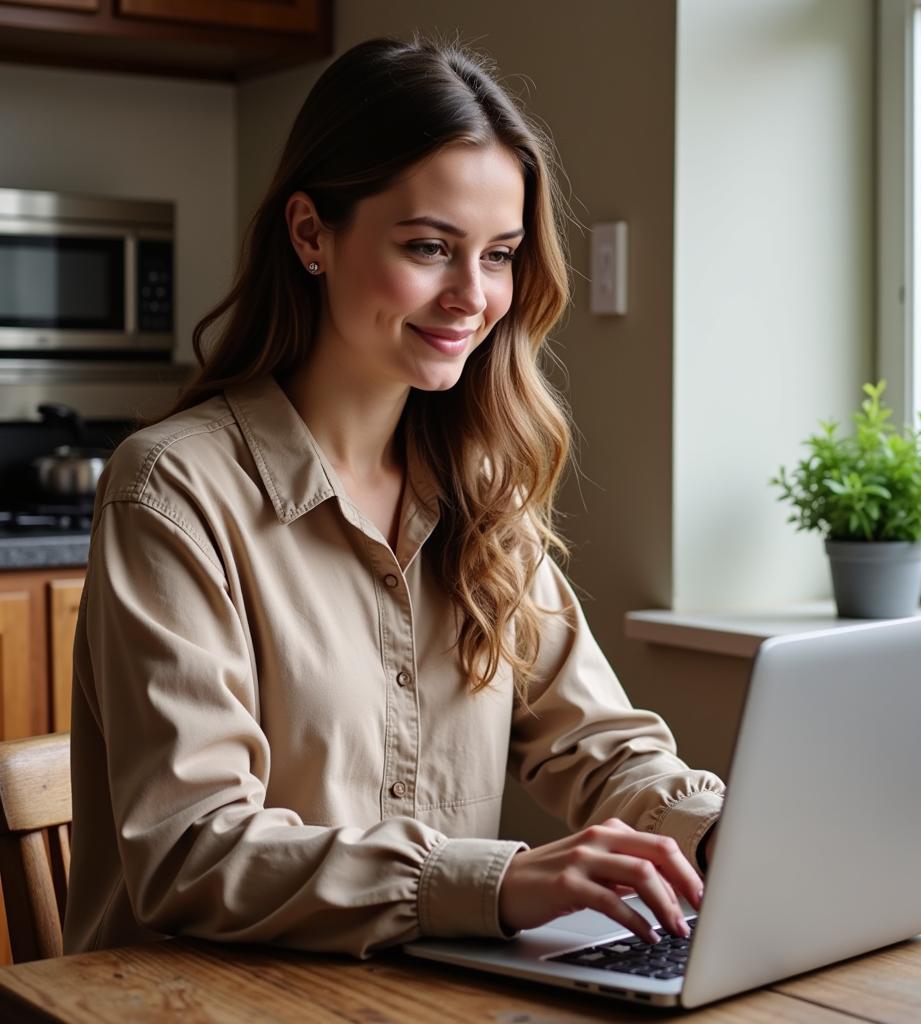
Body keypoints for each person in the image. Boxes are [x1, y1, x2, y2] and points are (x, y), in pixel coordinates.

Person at [63, 36, 725, 959]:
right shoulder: (172, 492)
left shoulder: (478, 490)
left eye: (498, 255)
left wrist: (719, 835)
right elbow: (191, 848)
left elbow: (599, 744)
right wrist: (496, 881)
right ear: (310, 235)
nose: (473, 295)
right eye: (428, 247)